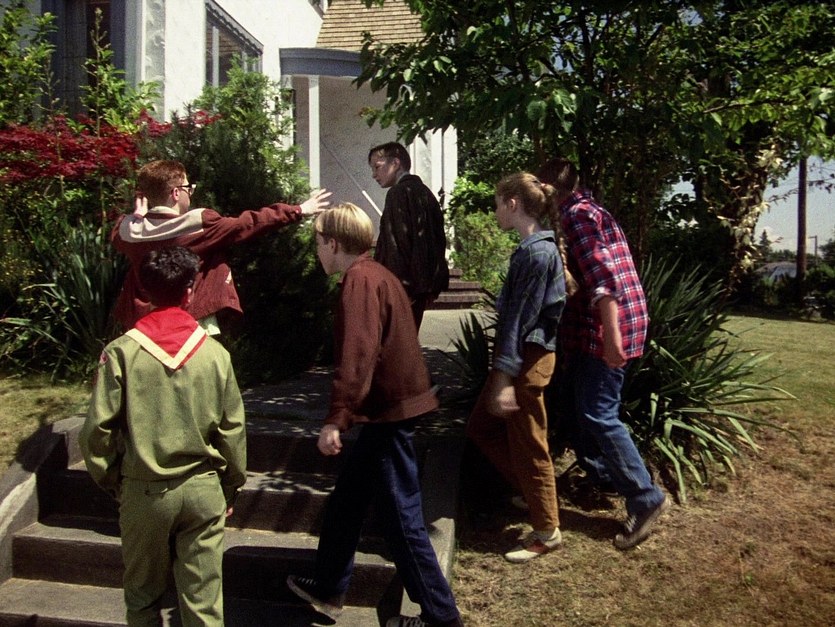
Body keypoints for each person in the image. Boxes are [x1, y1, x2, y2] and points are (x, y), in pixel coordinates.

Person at [285, 203, 463, 627]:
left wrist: (337, 417)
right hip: (390, 410)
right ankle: (329, 588)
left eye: (318, 242)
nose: (316, 250)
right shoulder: (377, 274)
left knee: (402, 519)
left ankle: (441, 617)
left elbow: (358, 356)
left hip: (390, 415)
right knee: (347, 501)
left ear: (333, 243)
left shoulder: (359, 281)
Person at [79, 246, 247, 626]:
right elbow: (233, 430)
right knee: (204, 605)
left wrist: (115, 481)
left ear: (144, 290)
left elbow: (96, 432)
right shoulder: (216, 355)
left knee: (142, 599)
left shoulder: (121, 353)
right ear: (190, 291)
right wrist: (230, 486)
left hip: (144, 490)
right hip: (204, 490)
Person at [537, 157, 669, 550]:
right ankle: (612, 478)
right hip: (604, 327)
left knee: (598, 413)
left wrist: (612, 339)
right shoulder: (587, 209)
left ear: (546, 189)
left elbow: (604, 283)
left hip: (608, 328)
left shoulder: (577, 217)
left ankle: (644, 497)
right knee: (580, 409)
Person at [465, 173, 569, 563]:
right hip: (520, 358)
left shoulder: (536, 255)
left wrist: (505, 376)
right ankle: (535, 496)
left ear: (512, 204)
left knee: (530, 447)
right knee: (482, 427)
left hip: (527, 361)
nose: (494, 212)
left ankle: (546, 531)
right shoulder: (533, 250)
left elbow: (517, 322)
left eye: (497, 204)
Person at [112, 159, 331, 334]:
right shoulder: (199, 225)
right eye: (188, 187)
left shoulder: (129, 233)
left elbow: (117, 235)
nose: (191, 192)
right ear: (176, 193)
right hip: (192, 322)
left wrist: (138, 216)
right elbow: (248, 223)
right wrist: (299, 210)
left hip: (145, 325)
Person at [368, 142, 449, 329]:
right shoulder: (426, 193)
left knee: (393, 343)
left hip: (403, 289)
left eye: (377, 167)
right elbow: (438, 242)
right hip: (422, 287)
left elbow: (396, 244)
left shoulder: (397, 193)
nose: (374, 175)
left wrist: (397, 289)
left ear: (395, 163)